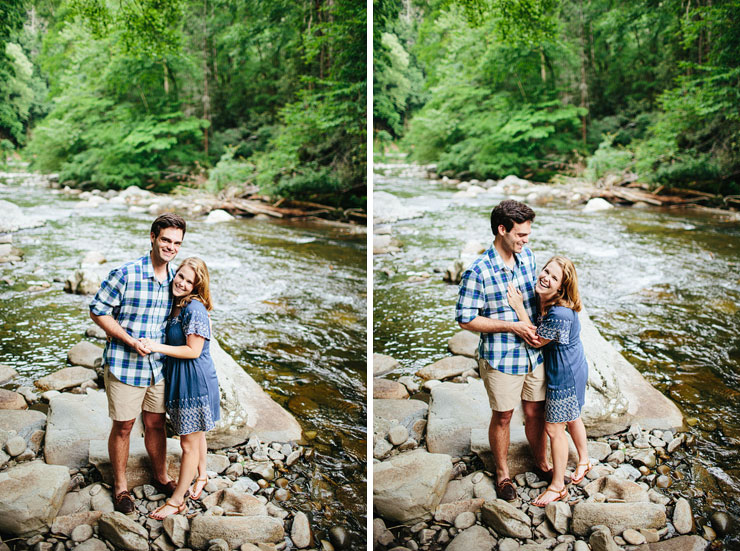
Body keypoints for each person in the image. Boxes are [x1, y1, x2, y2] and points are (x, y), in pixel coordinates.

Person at [455, 200, 553, 502]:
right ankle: (502, 475)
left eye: (527, 235)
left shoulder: (529, 258)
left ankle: (542, 464)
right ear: (502, 229)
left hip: (533, 354)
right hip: (500, 357)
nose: (526, 241)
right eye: (521, 235)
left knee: (535, 411)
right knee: (503, 417)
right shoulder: (478, 271)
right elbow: (466, 319)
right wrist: (512, 327)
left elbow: (538, 301)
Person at [90, 213, 187, 513]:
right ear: (153, 237)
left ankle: (161, 477)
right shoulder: (126, 273)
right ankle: (120, 487)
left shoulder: (176, 279)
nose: (170, 247)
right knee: (124, 426)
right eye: (166, 240)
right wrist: (128, 339)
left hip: (157, 365)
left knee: (156, 423)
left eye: (176, 243)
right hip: (124, 363)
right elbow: (97, 310)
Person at [140, 257, 220, 519]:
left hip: (194, 381)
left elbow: (194, 350)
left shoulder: (193, 308)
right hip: (181, 378)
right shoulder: (176, 304)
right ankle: (202, 476)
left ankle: (177, 501)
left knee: (188, 444)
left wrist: (156, 346)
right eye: (181, 276)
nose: (182, 282)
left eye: (189, 281)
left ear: (197, 286)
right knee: (196, 435)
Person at [507, 255, 591, 506]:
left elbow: (535, 340)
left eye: (554, 277)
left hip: (564, 374)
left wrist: (519, 307)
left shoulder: (560, 313)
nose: (545, 277)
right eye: (546, 271)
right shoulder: (548, 299)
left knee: (555, 429)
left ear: (561, 287)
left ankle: (557, 487)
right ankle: (584, 460)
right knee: (573, 416)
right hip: (574, 365)